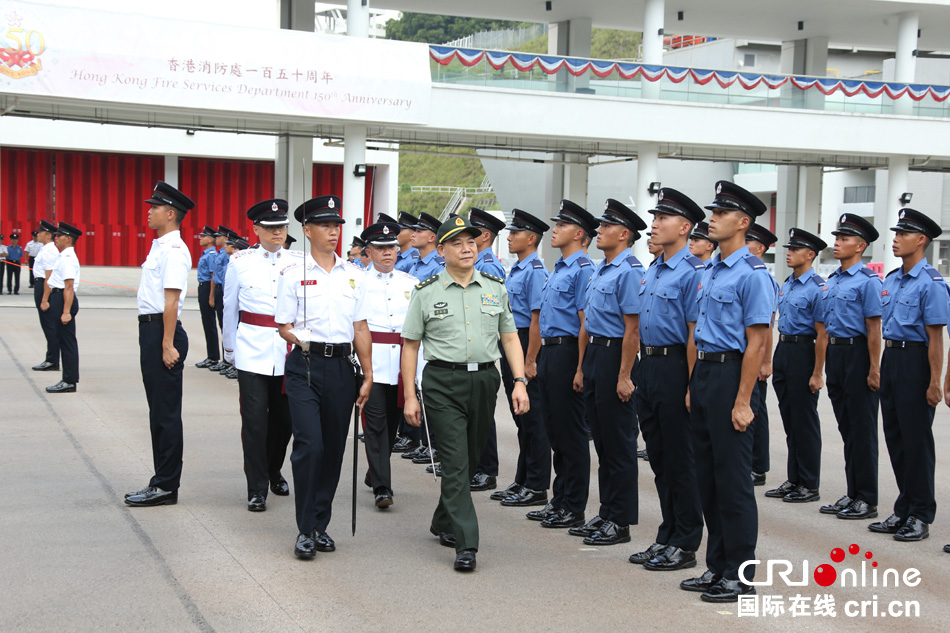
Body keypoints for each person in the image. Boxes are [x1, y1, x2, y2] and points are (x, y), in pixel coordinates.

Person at [401, 215, 529, 572]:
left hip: (485, 381)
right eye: (457, 243)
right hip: (442, 381)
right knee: (456, 461)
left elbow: (509, 338)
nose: (466, 248)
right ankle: (466, 542)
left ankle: (443, 518)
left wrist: (519, 381)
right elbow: (410, 346)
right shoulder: (426, 291)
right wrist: (411, 395)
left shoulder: (494, 287)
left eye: (471, 242)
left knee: (470, 459)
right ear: (441, 250)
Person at [681, 181, 773, 603]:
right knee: (709, 479)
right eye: (712, 212)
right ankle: (716, 566)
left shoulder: (753, 274)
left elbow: (757, 341)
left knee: (734, 483)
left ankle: (741, 574)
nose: (711, 219)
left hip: (733, 377)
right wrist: (692, 385)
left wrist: (742, 400)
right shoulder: (711, 270)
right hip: (705, 376)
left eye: (720, 214)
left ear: (743, 222)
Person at [275, 195, 372, 559]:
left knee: (332, 449)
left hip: (342, 368)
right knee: (309, 446)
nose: (334, 232)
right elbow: (283, 326)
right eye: (326, 225)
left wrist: (368, 373)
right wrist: (303, 342)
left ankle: (320, 525)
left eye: (337, 226)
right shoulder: (292, 274)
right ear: (307, 230)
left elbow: (360, 327)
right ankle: (304, 529)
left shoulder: (353, 275)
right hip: (305, 366)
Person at [629, 188, 706, 572]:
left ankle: (686, 540)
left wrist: (692, 385)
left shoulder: (692, 273)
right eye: (654, 218)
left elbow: (693, 333)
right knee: (659, 458)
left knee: (680, 460)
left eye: (662, 219)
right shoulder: (655, 269)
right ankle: (667, 533)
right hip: (650, 367)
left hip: (676, 367)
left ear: (685, 227)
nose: (654, 225)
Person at [871, 209, 948, 543]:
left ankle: (921, 513)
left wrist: (935, 381)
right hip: (892, 358)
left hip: (916, 361)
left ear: (922, 240)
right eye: (896, 233)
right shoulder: (891, 279)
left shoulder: (931, 283)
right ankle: (904, 506)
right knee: (896, 438)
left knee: (916, 441)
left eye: (904, 234)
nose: (896, 239)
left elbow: (935, 337)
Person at [573, 199, 646, 546]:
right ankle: (606, 512)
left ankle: (621, 521)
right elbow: (588, 321)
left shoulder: (630, 270)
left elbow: (632, 329)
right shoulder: (602, 270)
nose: (598, 231)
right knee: (601, 440)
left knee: (619, 444)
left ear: (624, 233)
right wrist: (582, 366)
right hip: (596, 355)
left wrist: (624, 375)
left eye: (605, 226)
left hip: (617, 354)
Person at [222, 200, 296, 512]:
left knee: (285, 421)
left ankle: (273, 469)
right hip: (252, 351)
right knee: (254, 421)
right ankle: (256, 487)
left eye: (281, 226)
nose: (277, 232)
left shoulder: (299, 262)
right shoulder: (240, 262)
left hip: (288, 351)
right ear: (256, 229)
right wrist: (229, 349)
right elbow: (230, 308)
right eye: (270, 227)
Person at [125, 181, 195, 507]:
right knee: (159, 411)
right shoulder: (160, 246)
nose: (149, 212)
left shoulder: (175, 251)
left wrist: (167, 345)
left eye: (154, 207)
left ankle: (166, 485)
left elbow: (171, 303)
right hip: (152, 332)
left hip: (162, 333)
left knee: (166, 412)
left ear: (170, 214)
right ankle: (161, 479)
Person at [529, 199, 596, 530]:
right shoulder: (559, 268)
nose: (554, 230)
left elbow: (585, 322)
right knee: (555, 429)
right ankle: (560, 498)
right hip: (550, 352)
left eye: (562, 225)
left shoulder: (584, 270)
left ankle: (574, 504)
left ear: (579, 233)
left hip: (569, 352)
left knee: (571, 433)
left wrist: (581, 367)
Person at [819, 213, 882, 521]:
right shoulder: (833, 281)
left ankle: (867, 497)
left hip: (858, 356)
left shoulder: (868, 281)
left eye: (844, 239)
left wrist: (874, 368)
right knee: (847, 428)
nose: (837, 243)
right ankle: (852, 491)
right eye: (838, 238)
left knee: (863, 429)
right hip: (837, 356)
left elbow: (873, 329)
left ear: (860, 246)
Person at [493, 209, 551, 507]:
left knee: (534, 419)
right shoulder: (516, 269)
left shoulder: (536, 271)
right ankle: (522, 479)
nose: (510, 236)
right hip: (512, 341)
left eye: (515, 233)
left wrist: (530, 360)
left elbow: (537, 319)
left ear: (531, 239)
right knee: (521, 419)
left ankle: (537, 485)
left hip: (526, 341)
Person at [359, 220, 418, 509]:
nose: (387, 253)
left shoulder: (411, 283)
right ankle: (383, 488)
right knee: (376, 424)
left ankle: (374, 470)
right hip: (372, 361)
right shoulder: (357, 281)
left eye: (392, 247)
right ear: (368, 251)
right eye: (380, 248)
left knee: (393, 426)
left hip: (401, 363)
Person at [767, 228, 828, 504]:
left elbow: (822, 333)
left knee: (805, 420)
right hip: (784, 349)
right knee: (790, 418)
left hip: (804, 349)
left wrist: (817, 372)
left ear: (810, 254)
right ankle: (794, 479)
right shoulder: (787, 284)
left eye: (795, 249)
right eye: (788, 248)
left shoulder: (817, 288)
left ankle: (810, 483)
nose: (789, 253)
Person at [468, 207, 507, 492]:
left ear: (484, 235)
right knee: (471, 412)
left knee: (482, 413)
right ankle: (475, 465)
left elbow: (492, 313)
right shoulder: (473, 262)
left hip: (482, 347)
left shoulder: (489, 266)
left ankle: (487, 469)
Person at [744, 223, 780, 487]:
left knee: (757, 412)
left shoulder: (761, 276)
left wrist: (766, 361)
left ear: (760, 248)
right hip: (742, 353)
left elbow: (766, 325)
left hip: (755, 355)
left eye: (749, 242)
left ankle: (758, 465)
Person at [44, 223, 82, 394]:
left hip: (63, 299)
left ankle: (69, 381)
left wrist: (66, 311)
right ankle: (67, 379)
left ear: (68, 238)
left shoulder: (67, 258)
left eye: (59, 235)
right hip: (59, 298)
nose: (56, 238)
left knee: (67, 342)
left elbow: (69, 286)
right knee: (63, 340)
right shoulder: (64, 255)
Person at [31, 220, 61, 372]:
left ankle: (52, 360)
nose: (38, 234)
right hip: (40, 285)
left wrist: (44, 299)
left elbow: (49, 277)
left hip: (44, 287)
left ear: (48, 235)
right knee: (46, 324)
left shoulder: (50, 251)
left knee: (49, 325)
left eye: (41, 232)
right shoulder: (45, 249)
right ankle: (51, 358)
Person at [208, 226, 234, 373]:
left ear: (225, 239)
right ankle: (226, 358)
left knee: (227, 326)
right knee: (222, 324)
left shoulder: (225, 255)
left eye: (218, 237)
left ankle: (228, 359)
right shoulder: (220, 254)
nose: (215, 239)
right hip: (218, 290)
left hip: (224, 292)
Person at [195, 225, 220, 369]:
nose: (201, 238)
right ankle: (212, 355)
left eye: (203, 236)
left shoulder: (211, 255)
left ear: (210, 239)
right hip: (203, 287)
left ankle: (213, 357)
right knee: (206, 322)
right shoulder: (206, 253)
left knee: (209, 323)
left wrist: (211, 296)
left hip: (207, 288)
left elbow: (212, 276)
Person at [407, 212, 446, 281]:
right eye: (415, 231)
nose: (413, 234)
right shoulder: (418, 261)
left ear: (431, 238)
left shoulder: (438, 266)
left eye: (419, 231)